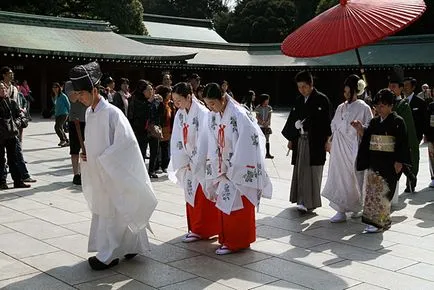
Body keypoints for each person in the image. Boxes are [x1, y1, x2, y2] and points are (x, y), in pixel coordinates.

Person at [69, 62, 157, 270]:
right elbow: (94, 139)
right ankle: (132, 245)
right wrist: (87, 153)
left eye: (81, 94)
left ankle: (108, 255)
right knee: (114, 208)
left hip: (112, 170)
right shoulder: (90, 113)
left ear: (93, 90)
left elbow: (126, 143)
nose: (79, 98)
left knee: (115, 209)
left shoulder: (112, 113)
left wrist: (105, 160)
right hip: (100, 170)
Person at [203, 83, 272, 255]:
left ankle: (238, 241)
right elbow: (213, 141)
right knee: (225, 203)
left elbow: (248, 144)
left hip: (237, 167)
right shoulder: (214, 115)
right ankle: (227, 239)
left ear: (223, 98)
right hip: (224, 166)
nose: (210, 108)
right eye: (207, 105)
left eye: (212, 104)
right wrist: (218, 165)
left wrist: (233, 168)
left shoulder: (239, 115)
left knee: (237, 205)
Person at [354, 89, 410, 233]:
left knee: (383, 193)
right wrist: (361, 129)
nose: (379, 108)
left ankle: (378, 223)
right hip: (375, 161)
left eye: (383, 105)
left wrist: (399, 161)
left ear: (391, 106)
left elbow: (403, 143)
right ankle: (380, 222)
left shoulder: (398, 122)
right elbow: (367, 137)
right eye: (378, 105)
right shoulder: (374, 122)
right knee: (372, 193)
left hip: (389, 162)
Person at [169, 82, 219, 243]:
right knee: (191, 194)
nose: (176, 104)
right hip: (187, 161)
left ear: (189, 97)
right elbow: (176, 138)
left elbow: (205, 140)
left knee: (202, 196)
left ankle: (204, 229)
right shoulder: (180, 114)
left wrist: (196, 160)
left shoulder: (203, 113)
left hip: (201, 161)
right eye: (174, 101)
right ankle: (195, 228)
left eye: (179, 100)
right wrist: (182, 158)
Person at [321, 75, 373, 223]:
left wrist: (360, 128)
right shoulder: (340, 107)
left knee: (355, 177)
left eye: (348, 91)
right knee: (339, 177)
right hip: (339, 148)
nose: (346, 94)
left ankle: (357, 206)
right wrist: (332, 139)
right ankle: (340, 210)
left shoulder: (364, 107)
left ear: (356, 90)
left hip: (354, 148)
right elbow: (333, 124)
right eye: (344, 92)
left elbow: (370, 127)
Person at [282, 71, 332, 212]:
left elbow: (327, 123)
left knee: (313, 171)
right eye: (299, 87)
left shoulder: (322, 99)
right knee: (300, 170)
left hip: (315, 140)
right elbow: (292, 119)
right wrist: (292, 138)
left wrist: (328, 141)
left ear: (311, 85)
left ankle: (311, 202)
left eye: (304, 86)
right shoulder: (299, 100)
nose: (302, 90)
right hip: (300, 139)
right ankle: (301, 199)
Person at [388, 68, 419, 193]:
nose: (391, 89)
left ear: (401, 88)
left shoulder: (403, 105)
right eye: (389, 86)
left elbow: (409, 131)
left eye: (394, 86)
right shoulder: (383, 103)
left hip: (398, 145)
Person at [128, 80, 163, 178]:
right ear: (142, 90)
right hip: (141, 129)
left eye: (152, 89)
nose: (151, 92)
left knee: (154, 151)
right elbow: (138, 114)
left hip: (153, 128)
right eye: (148, 90)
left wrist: (161, 103)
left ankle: (151, 170)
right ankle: (141, 171)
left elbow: (160, 113)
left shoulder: (154, 100)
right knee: (141, 151)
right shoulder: (135, 99)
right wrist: (148, 102)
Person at [0, 82, 30, 189]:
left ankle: (18, 181)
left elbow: (20, 115)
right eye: (1, 89)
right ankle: (2, 181)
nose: (3, 90)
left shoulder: (12, 102)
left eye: (4, 88)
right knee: (1, 159)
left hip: (11, 134)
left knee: (13, 159)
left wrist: (16, 123)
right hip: (1, 135)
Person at [64, 81, 87, 185]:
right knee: (75, 149)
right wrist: (82, 93)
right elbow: (73, 98)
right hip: (75, 120)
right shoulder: (69, 84)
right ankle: (76, 174)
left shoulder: (87, 83)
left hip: (88, 118)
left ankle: (85, 173)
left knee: (87, 148)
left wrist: (79, 94)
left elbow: (88, 100)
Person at [156, 85, 175, 173]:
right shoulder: (159, 103)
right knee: (158, 147)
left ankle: (165, 165)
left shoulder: (170, 104)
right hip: (161, 127)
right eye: (168, 93)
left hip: (168, 128)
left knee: (165, 148)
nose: (170, 95)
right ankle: (157, 166)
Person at [255, 94, 274, 159]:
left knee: (267, 139)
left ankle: (268, 153)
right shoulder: (258, 108)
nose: (268, 101)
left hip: (267, 126)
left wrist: (267, 123)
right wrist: (262, 122)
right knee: (260, 140)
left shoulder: (269, 108)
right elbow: (257, 117)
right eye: (267, 99)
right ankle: (259, 153)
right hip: (260, 126)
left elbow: (269, 116)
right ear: (263, 100)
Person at [53, 82, 70, 147]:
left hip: (64, 114)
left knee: (57, 127)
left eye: (56, 87)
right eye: (53, 87)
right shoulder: (56, 96)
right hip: (57, 114)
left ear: (59, 88)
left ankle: (62, 140)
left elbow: (68, 105)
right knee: (60, 127)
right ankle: (67, 140)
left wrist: (69, 114)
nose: (55, 89)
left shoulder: (63, 96)